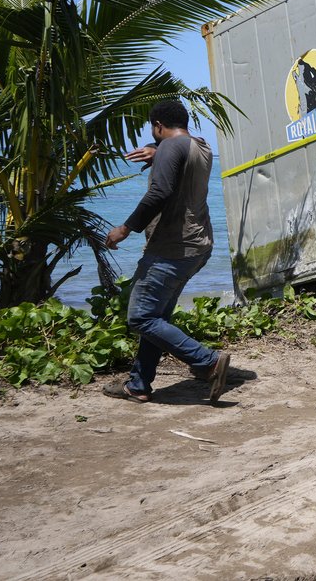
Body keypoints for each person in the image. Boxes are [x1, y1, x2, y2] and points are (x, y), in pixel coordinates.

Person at [102, 100, 231, 403]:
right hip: (197, 246)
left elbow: (159, 192)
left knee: (141, 318)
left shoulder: (170, 148)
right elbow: (177, 155)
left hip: (171, 249)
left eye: (153, 130)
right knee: (156, 316)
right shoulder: (201, 146)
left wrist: (125, 228)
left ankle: (208, 361)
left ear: (158, 126)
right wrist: (158, 151)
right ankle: (138, 385)